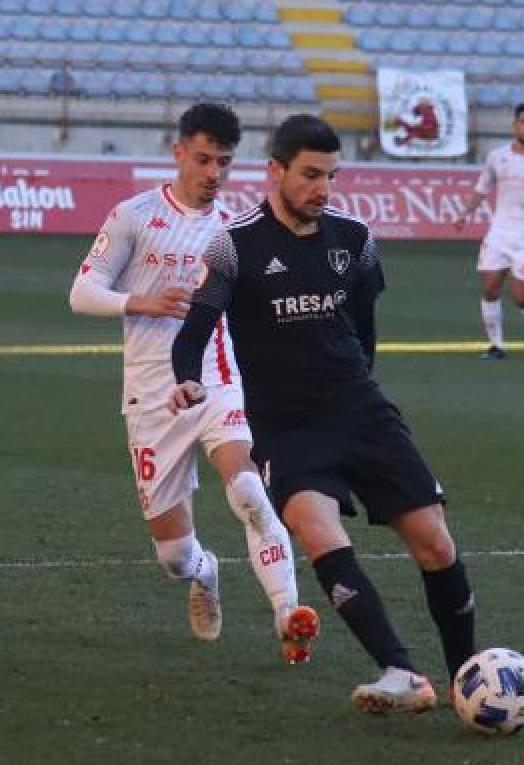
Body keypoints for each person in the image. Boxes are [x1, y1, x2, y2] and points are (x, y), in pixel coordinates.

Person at [168, 115, 477, 714]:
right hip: (287, 428)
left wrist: (354, 386)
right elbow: (194, 334)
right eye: (310, 175)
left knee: (436, 546)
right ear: (276, 171)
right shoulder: (234, 245)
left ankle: (469, 676)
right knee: (314, 529)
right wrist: (185, 378)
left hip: (360, 411)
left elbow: (365, 332)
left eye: (331, 176)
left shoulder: (355, 239)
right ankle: (401, 672)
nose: (322, 188)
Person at [69, 103, 319, 664]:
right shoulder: (133, 215)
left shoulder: (235, 232)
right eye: (203, 158)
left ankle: (289, 616)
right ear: (179, 151)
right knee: (173, 556)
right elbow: (82, 293)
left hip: (214, 380)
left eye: (224, 162)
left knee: (251, 493)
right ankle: (206, 573)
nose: (212, 172)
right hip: (151, 395)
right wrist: (142, 301)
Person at [454, 103, 524, 360]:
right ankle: (496, 346)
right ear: (515, 125)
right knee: (491, 288)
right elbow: (482, 189)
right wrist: (464, 212)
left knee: (520, 296)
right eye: (523, 121)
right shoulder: (497, 157)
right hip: (499, 233)